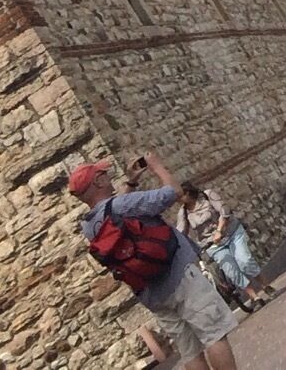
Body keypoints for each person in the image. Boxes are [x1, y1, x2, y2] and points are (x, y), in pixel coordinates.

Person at [69, 156, 240, 370]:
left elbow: (114, 210)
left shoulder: (90, 225)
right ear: (98, 183)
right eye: (102, 174)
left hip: (153, 294)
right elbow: (175, 192)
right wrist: (157, 165)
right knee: (214, 336)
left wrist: (130, 182)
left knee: (190, 352)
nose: (108, 176)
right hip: (180, 277)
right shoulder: (122, 205)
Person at [182, 182, 275, 306]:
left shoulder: (207, 195)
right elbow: (181, 232)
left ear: (187, 193)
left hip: (231, 233)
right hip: (212, 244)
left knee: (244, 261)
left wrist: (219, 230)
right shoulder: (183, 212)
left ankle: (265, 285)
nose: (176, 199)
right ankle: (254, 297)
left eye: (179, 195)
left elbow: (225, 210)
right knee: (232, 271)